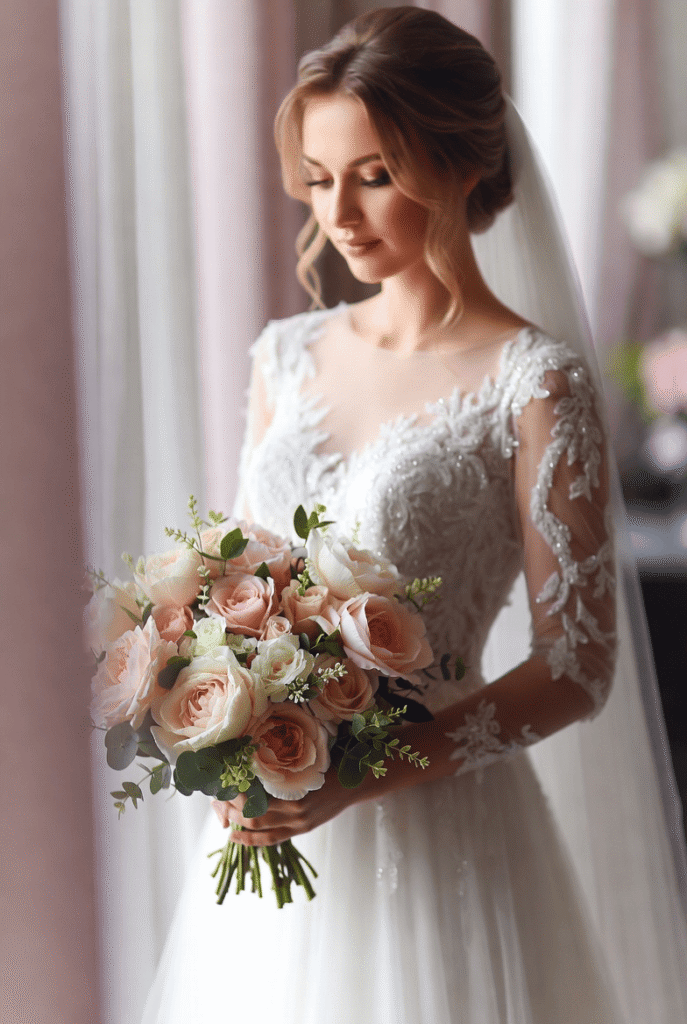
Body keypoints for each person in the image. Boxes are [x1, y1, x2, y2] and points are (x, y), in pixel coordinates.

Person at [142, 8, 687, 1023]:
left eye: (375, 174)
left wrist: (362, 775)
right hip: (278, 831)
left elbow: (579, 665)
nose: (339, 212)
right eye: (320, 176)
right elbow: (238, 575)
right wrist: (218, 709)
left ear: (461, 164)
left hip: (448, 837)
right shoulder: (285, 356)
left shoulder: (537, 380)